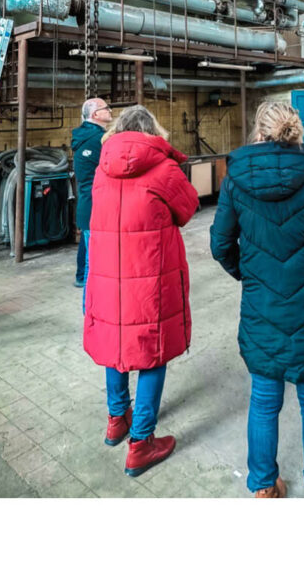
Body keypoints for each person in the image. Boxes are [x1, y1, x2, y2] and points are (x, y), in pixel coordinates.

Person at [210, 101, 304, 498]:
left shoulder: (236, 180)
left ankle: (263, 487)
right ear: (296, 131)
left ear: (259, 132)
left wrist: (250, 276)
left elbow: (220, 244)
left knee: (263, 400)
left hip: (263, 308)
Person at [84, 105, 199, 477]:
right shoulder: (164, 169)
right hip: (150, 277)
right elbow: (188, 208)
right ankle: (141, 443)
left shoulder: (102, 168)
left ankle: (117, 419)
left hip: (107, 275)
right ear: (152, 131)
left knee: (115, 346)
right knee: (153, 351)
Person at [71, 97, 112, 289]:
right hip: (98, 202)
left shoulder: (84, 136)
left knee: (87, 242)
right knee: (93, 253)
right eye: (106, 108)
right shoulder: (99, 139)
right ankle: (89, 289)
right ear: (96, 114)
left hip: (87, 202)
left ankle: (81, 276)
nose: (110, 110)